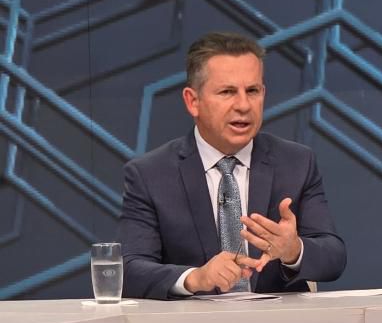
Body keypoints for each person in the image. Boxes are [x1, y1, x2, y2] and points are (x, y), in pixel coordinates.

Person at [118, 32, 346, 299]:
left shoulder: (296, 163)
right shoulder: (150, 174)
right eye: (227, 92)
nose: (243, 105)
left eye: (252, 91)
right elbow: (129, 270)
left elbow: (334, 257)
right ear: (193, 101)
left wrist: (294, 250)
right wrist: (194, 277)